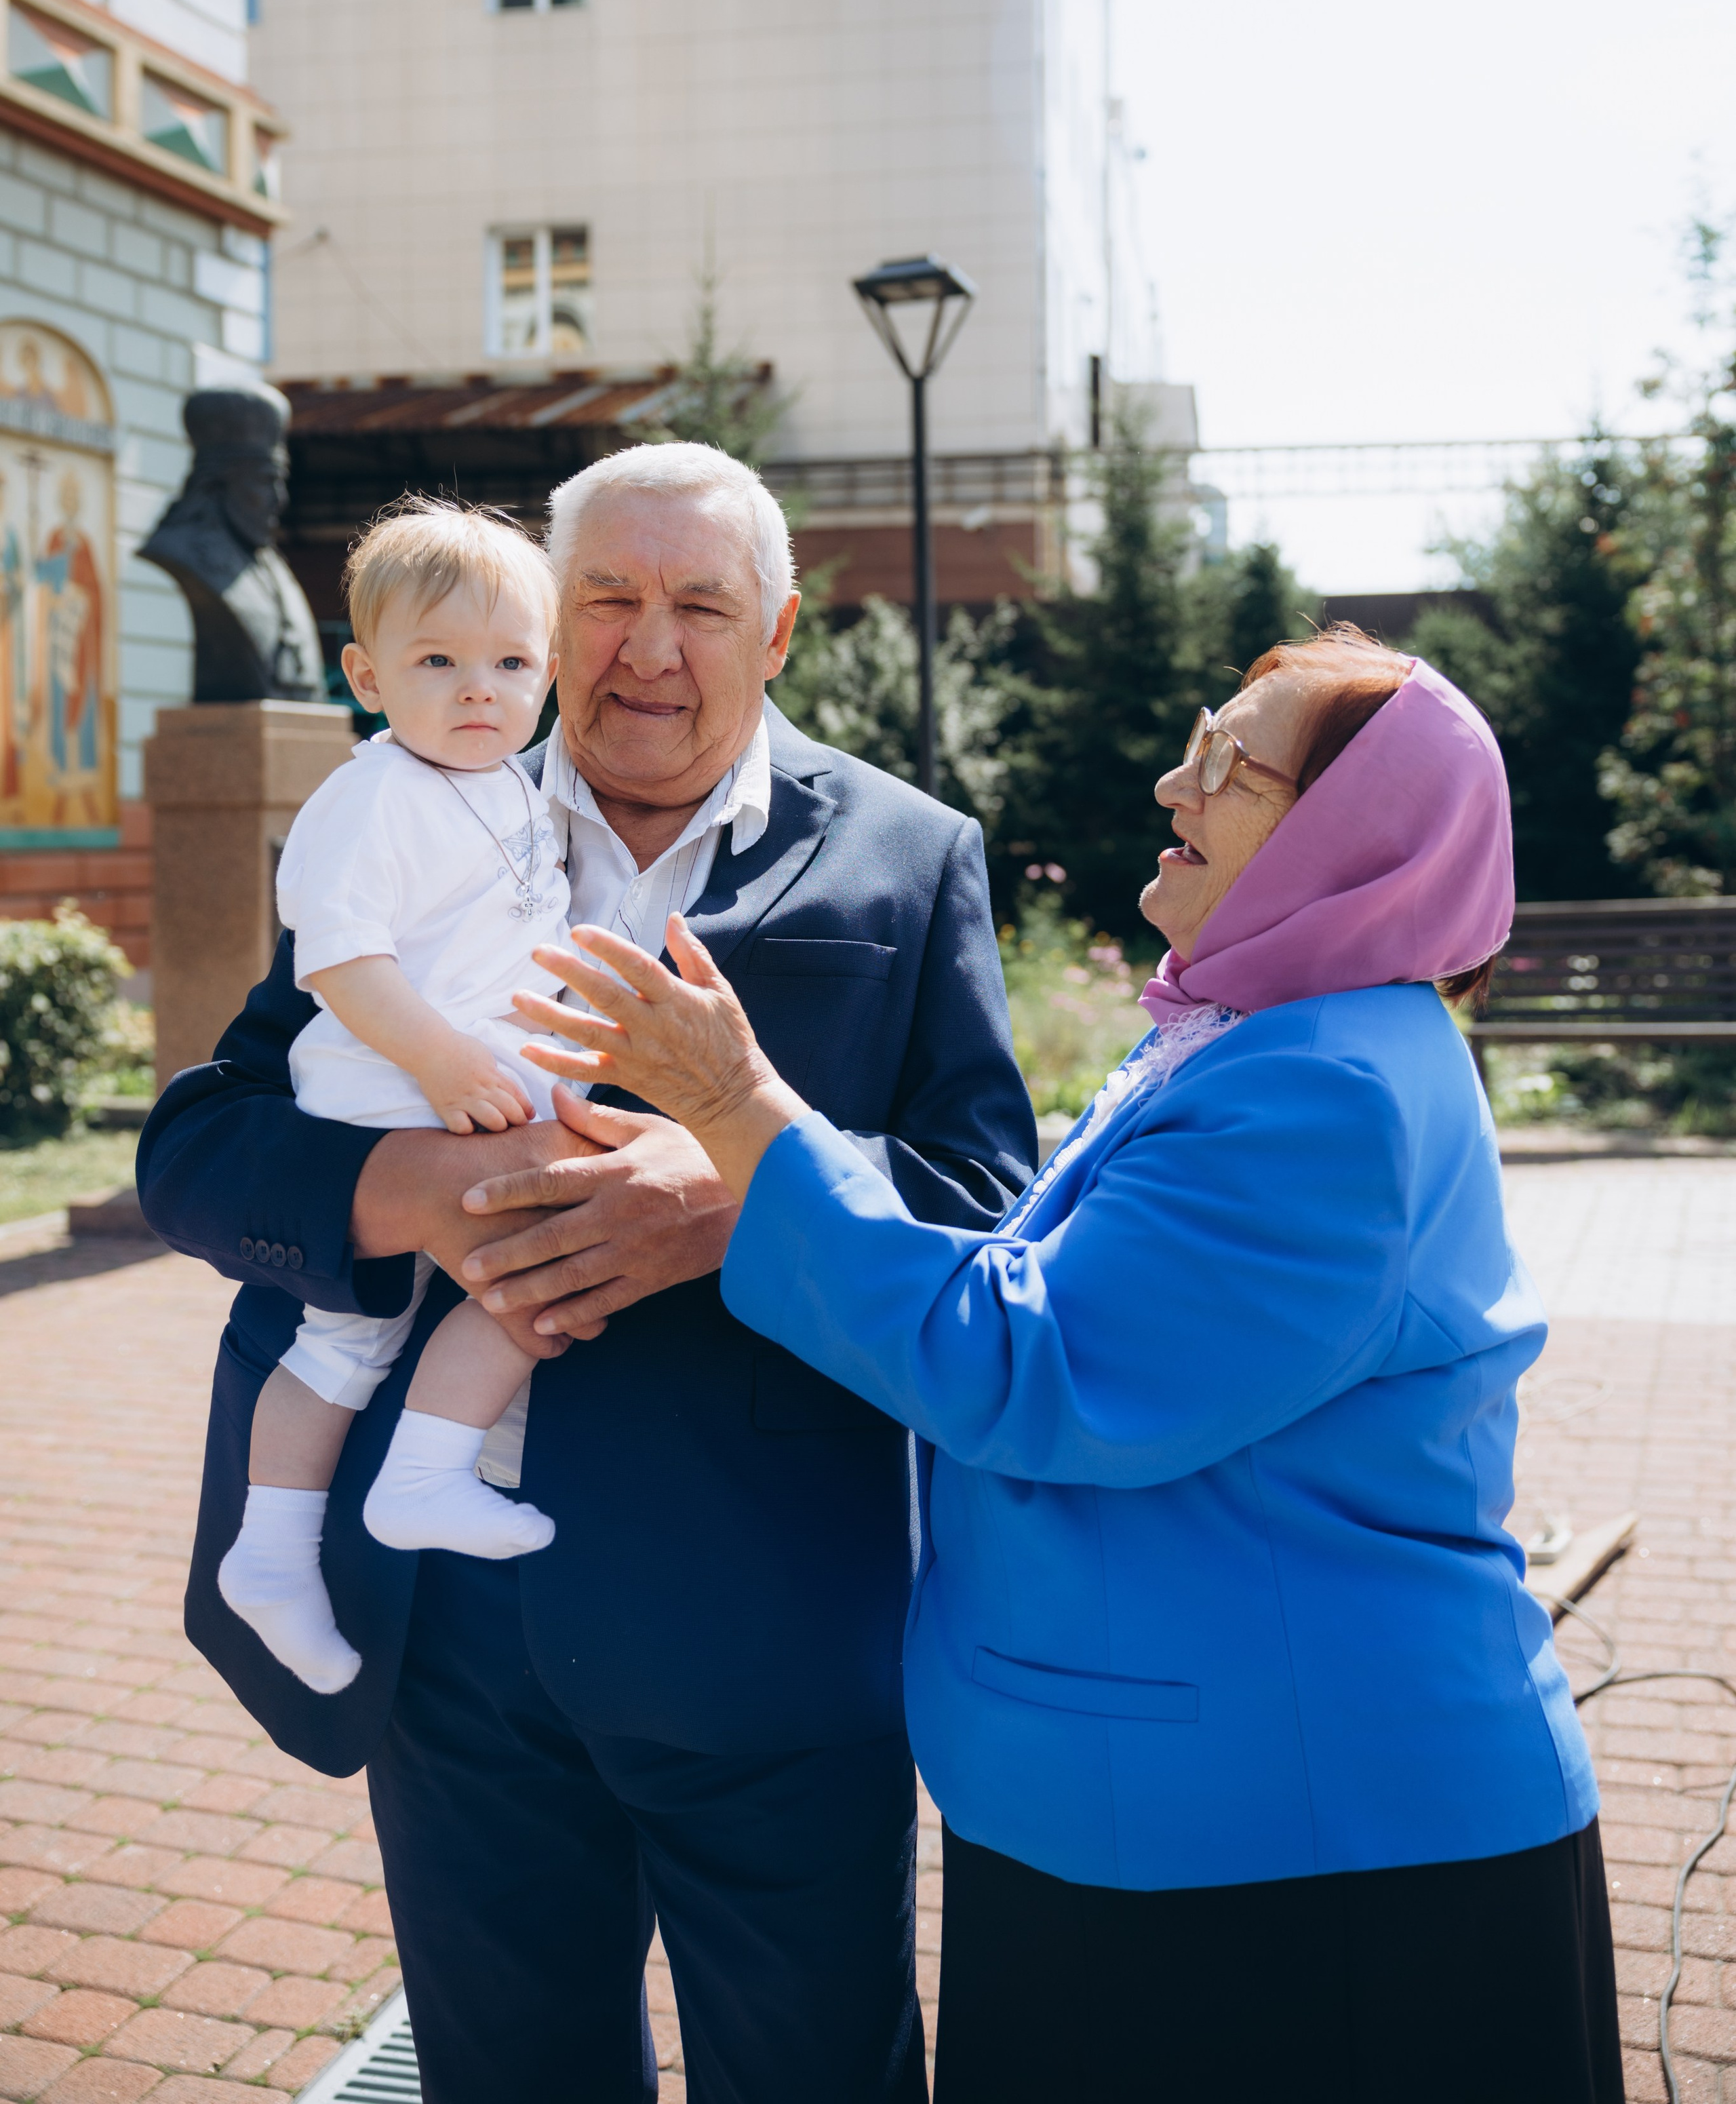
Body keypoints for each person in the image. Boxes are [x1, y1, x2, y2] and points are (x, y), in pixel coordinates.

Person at [513, 628, 1622, 2104]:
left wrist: (739, 1109)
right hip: (1184, 1812)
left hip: (1294, 1858)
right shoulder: (1268, 1037)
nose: (1177, 781)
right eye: (1199, 735)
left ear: (1349, 835)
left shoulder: (1326, 1090)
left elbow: (1034, 1368)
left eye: (1232, 764)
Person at [138, 442, 1035, 2104]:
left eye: (702, 606)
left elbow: (990, 1205)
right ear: (549, 620)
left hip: (769, 1624)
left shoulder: (909, 858)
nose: (648, 646)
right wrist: (410, 1187)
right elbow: (203, 1145)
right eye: (607, 598)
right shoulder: (413, 804)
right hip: (450, 1632)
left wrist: (742, 1199)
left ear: (777, 634)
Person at [217, 501, 578, 1699]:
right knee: (377, 1325)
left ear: (550, 675)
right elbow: (340, 961)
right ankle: (295, 1537)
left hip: (479, 1095)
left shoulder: (512, 786)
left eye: (511, 663)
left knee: (513, 1285)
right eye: (437, 662)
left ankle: (396, 1486)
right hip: (392, 1099)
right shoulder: (371, 795)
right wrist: (440, 1063)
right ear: (367, 678)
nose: (479, 688)